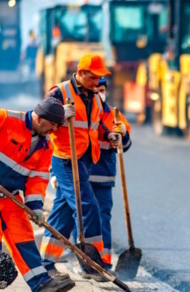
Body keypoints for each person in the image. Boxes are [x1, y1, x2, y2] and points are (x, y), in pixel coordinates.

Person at [0, 98, 75, 292]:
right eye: (52, 125)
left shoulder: (45, 147)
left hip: (8, 195)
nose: (54, 130)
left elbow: (37, 180)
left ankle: (41, 283)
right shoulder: (7, 119)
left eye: (56, 126)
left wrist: (35, 207)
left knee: (23, 234)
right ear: (39, 117)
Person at [39, 54, 121, 281]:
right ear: (81, 72)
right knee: (87, 207)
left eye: (99, 78)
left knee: (62, 213)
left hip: (84, 160)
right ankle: (92, 265)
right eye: (93, 77)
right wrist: (61, 116)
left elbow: (98, 124)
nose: (97, 82)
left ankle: (44, 263)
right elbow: (41, 119)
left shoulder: (95, 96)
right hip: (66, 160)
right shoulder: (59, 92)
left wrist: (109, 134)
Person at [70, 77, 132, 269]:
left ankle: (103, 261)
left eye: (102, 89)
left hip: (104, 176)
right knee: (80, 217)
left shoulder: (114, 115)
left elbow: (126, 146)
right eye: (96, 89)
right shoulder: (81, 112)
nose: (99, 93)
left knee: (103, 218)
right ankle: (83, 259)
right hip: (82, 174)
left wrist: (124, 135)